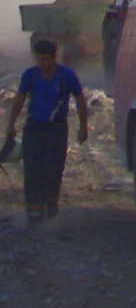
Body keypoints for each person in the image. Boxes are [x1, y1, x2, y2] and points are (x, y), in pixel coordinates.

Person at [4, 40, 88, 223]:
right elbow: (19, 99)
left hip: (56, 130)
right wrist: (11, 124)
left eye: (45, 60)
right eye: (39, 60)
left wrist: (83, 127)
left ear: (54, 58)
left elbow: (80, 100)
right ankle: (34, 213)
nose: (42, 63)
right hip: (33, 128)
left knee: (53, 170)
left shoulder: (66, 76)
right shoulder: (31, 75)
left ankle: (51, 206)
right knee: (32, 171)